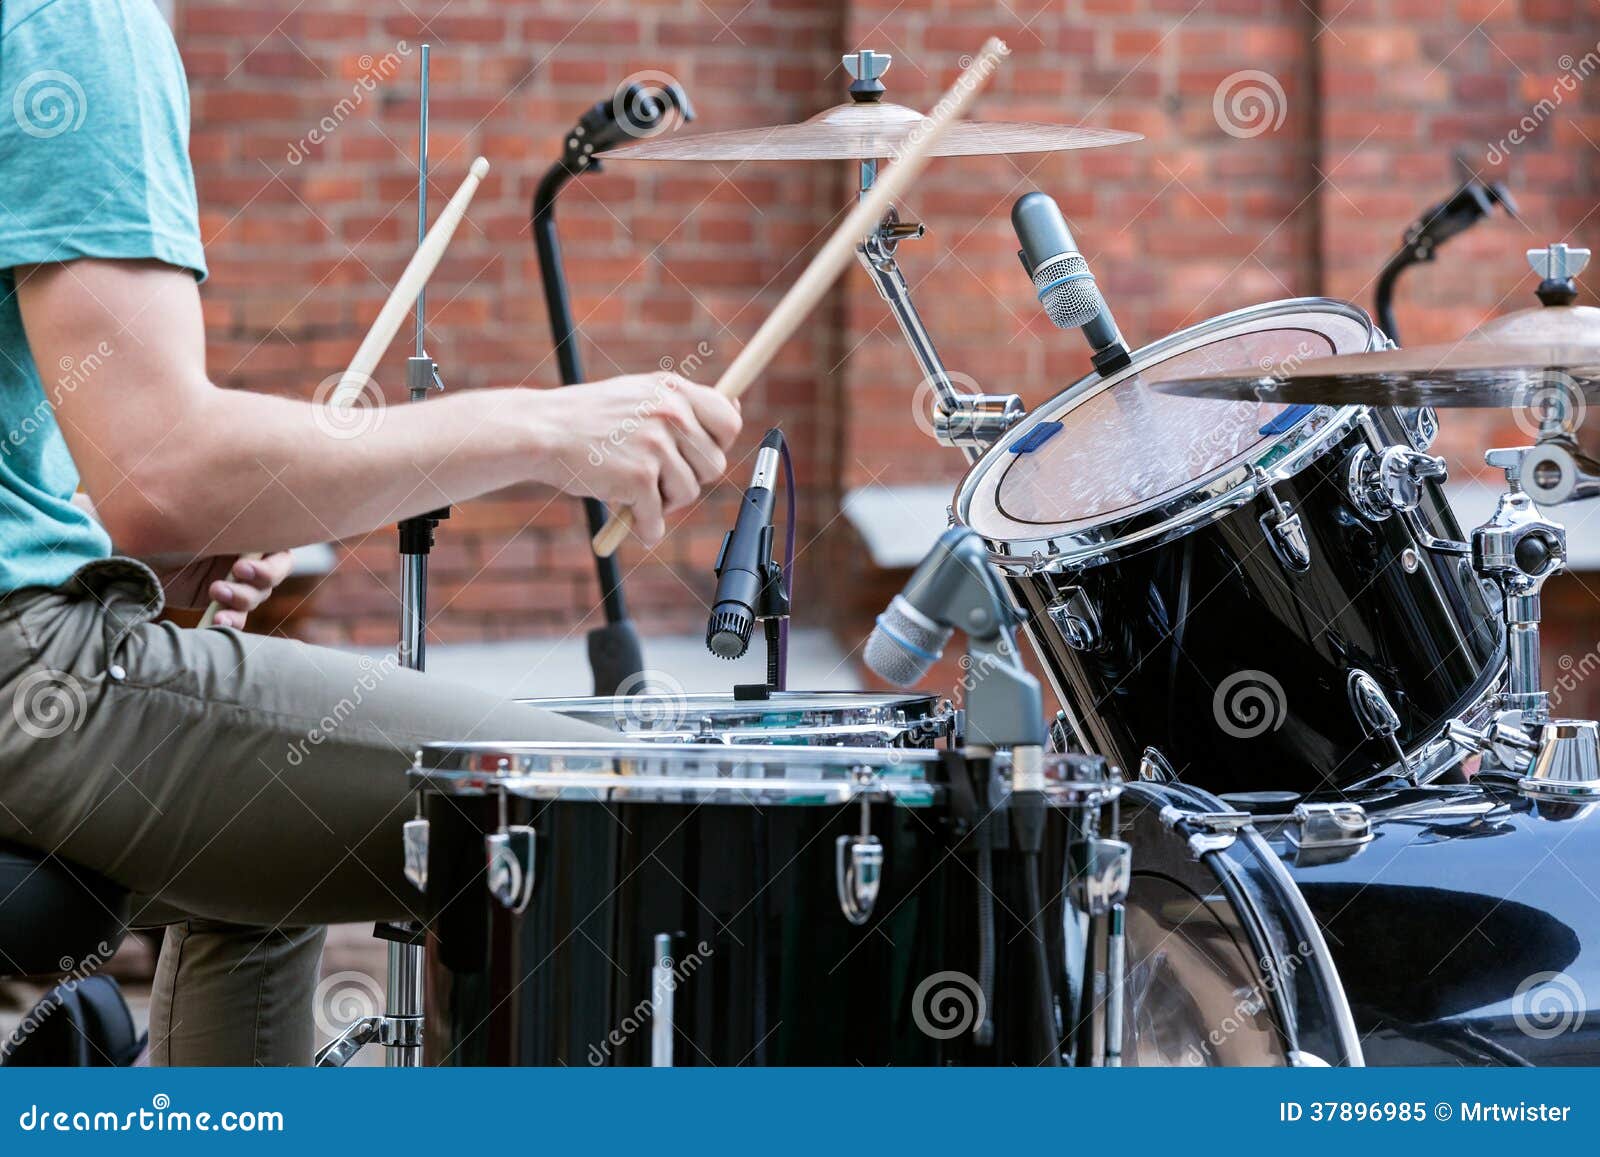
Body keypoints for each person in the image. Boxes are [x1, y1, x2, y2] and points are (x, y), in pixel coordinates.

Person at [0, 0, 741, 1064]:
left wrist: (145, 533)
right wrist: (541, 424)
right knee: (619, 813)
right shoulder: (73, 20)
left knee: (260, 855)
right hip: (24, 674)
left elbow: (123, 488)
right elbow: (159, 466)